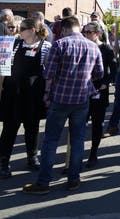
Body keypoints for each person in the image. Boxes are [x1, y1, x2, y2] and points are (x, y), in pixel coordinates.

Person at [23, 16, 103, 194]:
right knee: (77, 140)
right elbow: (99, 73)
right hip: (82, 99)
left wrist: (46, 94)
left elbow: (49, 73)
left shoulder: (59, 45)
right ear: (78, 28)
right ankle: (73, 179)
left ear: (65, 29)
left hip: (59, 98)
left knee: (51, 141)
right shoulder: (93, 46)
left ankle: (44, 183)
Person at [0, 18, 51, 178]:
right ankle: (3, 161)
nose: (18, 31)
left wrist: (47, 93)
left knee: (32, 126)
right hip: (13, 91)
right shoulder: (13, 44)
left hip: (33, 93)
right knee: (9, 127)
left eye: (22, 28)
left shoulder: (46, 47)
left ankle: (32, 157)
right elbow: (3, 68)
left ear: (32, 31)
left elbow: (48, 72)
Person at [82, 22, 117, 168]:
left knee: (97, 124)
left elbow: (114, 70)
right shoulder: (83, 46)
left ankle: (93, 154)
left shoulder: (106, 48)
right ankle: (73, 156)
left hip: (98, 91)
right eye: (85, 32)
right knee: (78, 124)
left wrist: (105, 83)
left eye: (90, 32)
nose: (87, 35)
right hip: (82, 90)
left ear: (98, 33)